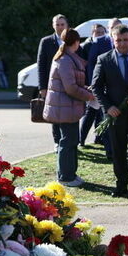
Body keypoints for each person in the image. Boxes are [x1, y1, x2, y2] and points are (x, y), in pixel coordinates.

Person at [90, 24, 128, 197]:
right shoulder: (104, 59)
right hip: (115, 115)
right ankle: (121, 186)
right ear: (113, 40)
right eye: (118, 40)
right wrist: (108, 107)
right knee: (118, 152)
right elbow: (96, 87)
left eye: (125, 40)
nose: (122, 44)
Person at [42, 28, 95, 187]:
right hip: (64, 108)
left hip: (67, 107)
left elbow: (73, 85)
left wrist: (86, 89)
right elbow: (70, 88)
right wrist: (89, 96)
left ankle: (70, 174)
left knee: (71, 140)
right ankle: (65, 177)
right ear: (77, 42)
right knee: (68, 141)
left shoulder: (67, 58)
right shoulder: (65, 60)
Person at [80, 18, 121, 150]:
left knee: (105, 114)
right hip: (97, 84)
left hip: (114, 85)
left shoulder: (121, 40)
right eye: (112, 27)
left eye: (117, 26)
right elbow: (90, 63)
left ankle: (102, 139)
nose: (114, 29)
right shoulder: (97, 42)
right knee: (92, 112)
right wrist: (90, 82)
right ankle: (82, 139)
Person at [38, 14, 69, 149]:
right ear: (53, 25)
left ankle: (69, 140)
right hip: (52, 85)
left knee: (69, 112)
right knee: (55, 113)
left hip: (69, 84)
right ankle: (57, 141)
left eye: (62, 24)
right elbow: (41, 65)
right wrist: (42, 87)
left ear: (66, 25)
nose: (60, 27)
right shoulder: (46, 41)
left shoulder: (72, 39)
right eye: (57, 24)